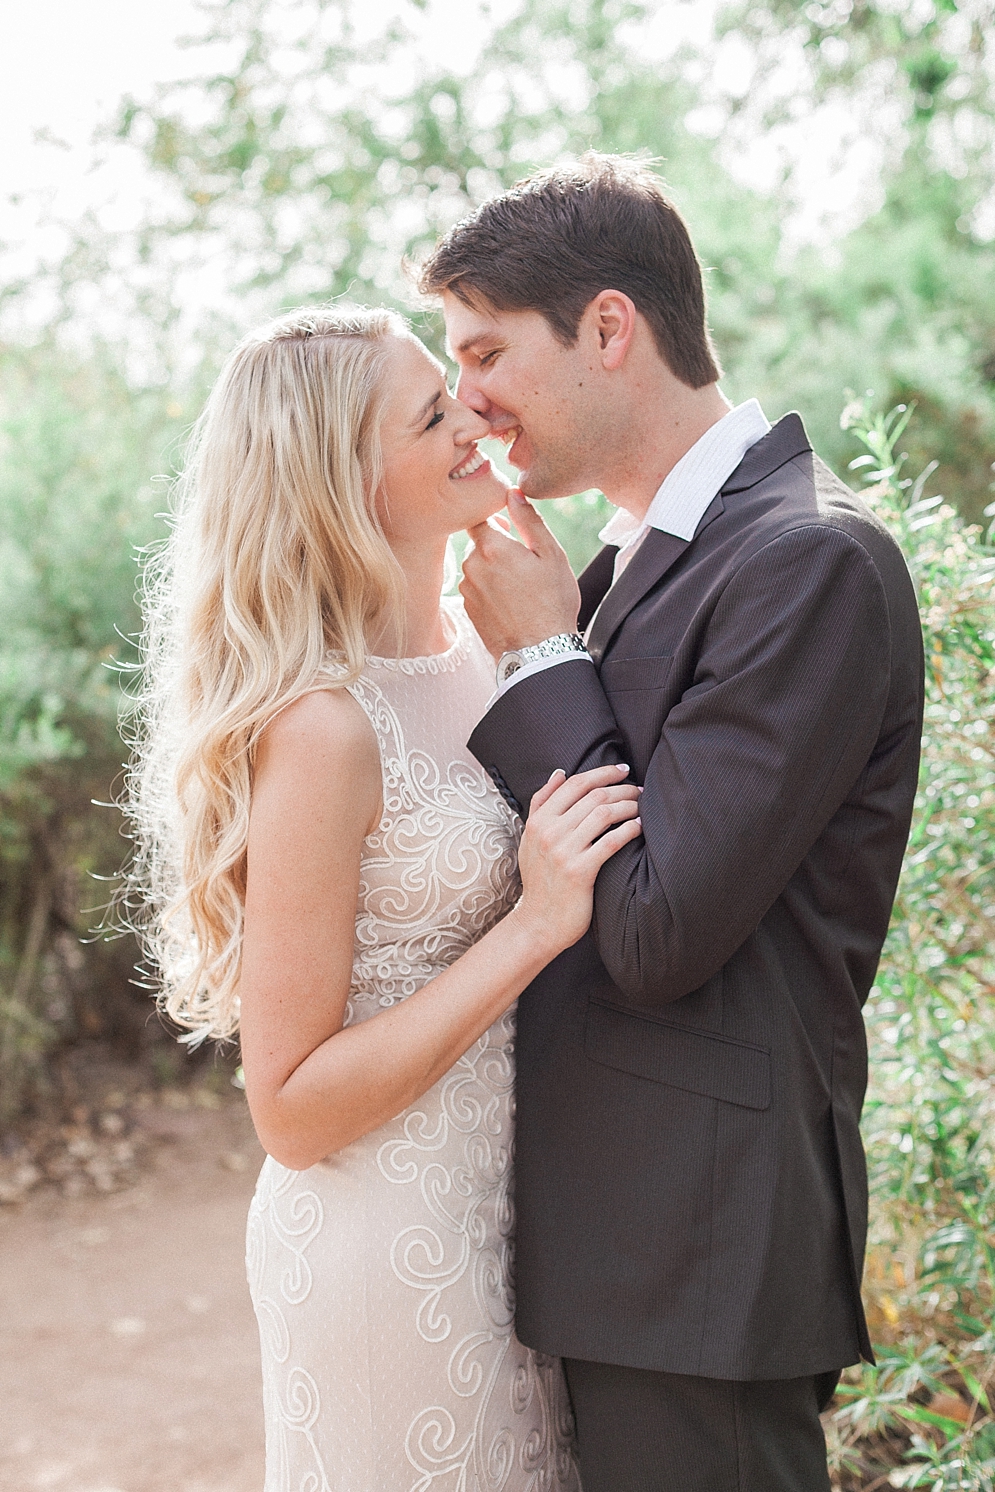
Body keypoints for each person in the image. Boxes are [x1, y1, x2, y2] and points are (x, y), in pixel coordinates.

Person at [418, 154, 925, 1492]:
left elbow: (651, 929)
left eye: (484, 350)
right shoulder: (628, 563)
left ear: (604, 327)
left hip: (691, 1252)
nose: (463, 398)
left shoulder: (806, 559)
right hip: (609, 1247)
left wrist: (537, 662)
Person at [127, 304, 644, 1490]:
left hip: (522, 1222)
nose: (475, 415)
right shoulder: (321, 728)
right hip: (385, 1241)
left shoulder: (485, 642)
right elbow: (291, 1110)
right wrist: (529, 926)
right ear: (341, 485)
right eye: (431, 415)